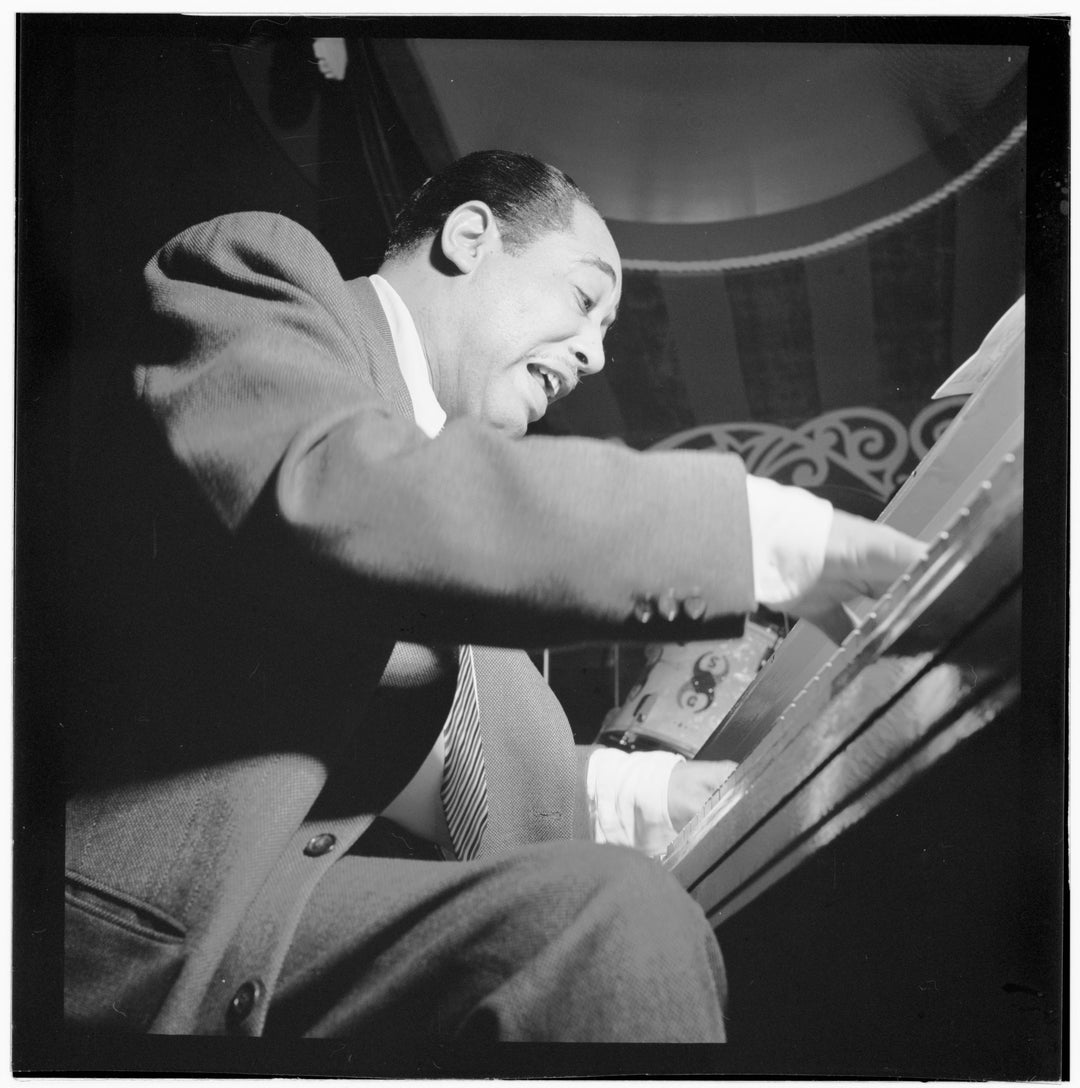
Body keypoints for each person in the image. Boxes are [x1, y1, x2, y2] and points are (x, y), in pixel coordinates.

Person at [63, 150, 923, 1047]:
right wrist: (763, 538)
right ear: (470, 238)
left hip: (283, 935)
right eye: (586, 300)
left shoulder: (465, 533)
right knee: (613, 919)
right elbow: (335, 491)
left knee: (619, 921)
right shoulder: (263, 274)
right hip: (138, 939)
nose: (594, 354)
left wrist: (654, 793)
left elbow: (484, 759)